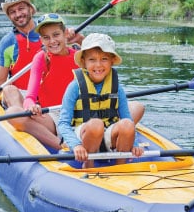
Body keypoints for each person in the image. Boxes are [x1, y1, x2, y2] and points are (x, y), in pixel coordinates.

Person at [57, 33, 144, 168]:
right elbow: (63, 123)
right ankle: (88, 165)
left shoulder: (117, 88)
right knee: (96, 124)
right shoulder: (74, 86)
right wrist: (76, 144)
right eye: (92, 59)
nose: (98, 65)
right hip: (84, 135)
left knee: (127, 124)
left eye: (104, 59)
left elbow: (128, 118)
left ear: (111, 61)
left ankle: (120, 166)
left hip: (108, 134)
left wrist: (135, 144)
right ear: (84, 62)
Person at [5, 13, 82, 149]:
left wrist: (81, 39)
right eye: (46, 37)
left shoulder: (79, 56)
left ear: (65, 34)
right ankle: (61, 146)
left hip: (78, 115)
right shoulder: (41, 58)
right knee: (12, 112)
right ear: (41, 40)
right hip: (52, 116)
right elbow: (30, 97)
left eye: (56, 35)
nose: (52, 41)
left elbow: (102, 60)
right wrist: (31, 106)